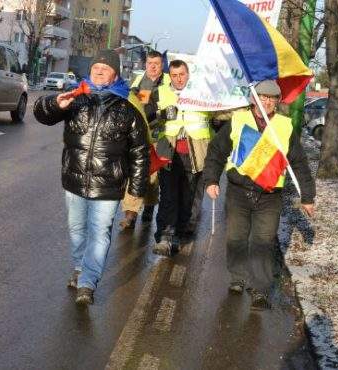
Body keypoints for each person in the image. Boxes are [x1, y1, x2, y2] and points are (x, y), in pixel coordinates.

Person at [33, 50, 150, 305]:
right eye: (96, 66)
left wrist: (137, 189)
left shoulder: (126, 107)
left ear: (115, 74)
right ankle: (79, 267)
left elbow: (139, 151)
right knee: (76, 229)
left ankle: (88, 282)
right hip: (74, 180)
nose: (99, 71)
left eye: (105, 68)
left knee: (100, 233)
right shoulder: (76, 99)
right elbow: (41, 115)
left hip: (108, 185)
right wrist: (54, 103)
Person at [203, 80, 315, 310]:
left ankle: (260, 289)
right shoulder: (239, 120)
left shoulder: (285, 126)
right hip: (238, 191)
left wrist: (308, 196)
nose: (267, 102)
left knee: (263, 242)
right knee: (236, 238)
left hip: (270, 195)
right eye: (263, 97)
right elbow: (216, 151)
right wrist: (211, 179)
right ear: (254, 98)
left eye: (272, 98)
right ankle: (237, 277)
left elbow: (299, 162)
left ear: (277, 101)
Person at [151, 59, 213, 255]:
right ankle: (164, 236)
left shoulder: (203, 94)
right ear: (170, 75)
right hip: (168, 154)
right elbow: (148, 117)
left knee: (188, 198)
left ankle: (178, 233)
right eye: (175, 75)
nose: (179, 79)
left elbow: (221, 116)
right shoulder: (160, 92)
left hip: (194, 155)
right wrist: (161, 116)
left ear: (188, 74)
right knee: (168, 196)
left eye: (182, 75)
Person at [120, 50, 170, 230]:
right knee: (136, 173)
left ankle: (149, 205)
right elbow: (136, 104)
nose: (153, 66)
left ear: (162, 65)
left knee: (152, 176)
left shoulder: (168, 82)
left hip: (159, 136)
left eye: (156, 63)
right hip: (140, 134)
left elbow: (167, 108)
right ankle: (130, 214)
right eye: (150, 63)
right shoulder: (140, 81)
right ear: (145, 64)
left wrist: (157, 111)